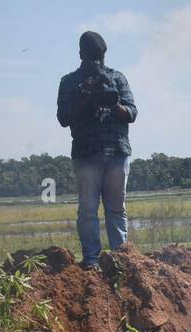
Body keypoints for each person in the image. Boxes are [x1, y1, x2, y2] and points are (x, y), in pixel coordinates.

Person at [56, 31, 138, 269]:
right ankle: (92, 261)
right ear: (81, 55)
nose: (97, 62)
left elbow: (132, 113)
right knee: (88, 210)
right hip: (86, 153)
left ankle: (120, 258)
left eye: (99, 57)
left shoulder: (117, 78)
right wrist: (84, 96)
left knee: (116, 209)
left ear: (104, 55)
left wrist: (115, 104)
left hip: (117, 150)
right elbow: (63, 118)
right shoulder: (70, 82)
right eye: (92, 57)